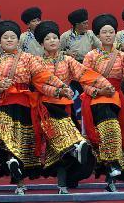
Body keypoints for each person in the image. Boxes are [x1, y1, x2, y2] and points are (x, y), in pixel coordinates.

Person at [0, 20, 71, 194]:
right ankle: (12, 167)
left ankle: (20, 183)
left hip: (25, 104)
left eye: (12, 37)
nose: (9, 40)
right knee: (5, 136)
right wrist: (0, 84)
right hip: (3, 103)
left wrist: (60, 86)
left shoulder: (28, 58)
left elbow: (42, 76)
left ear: (18, 40)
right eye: (5, 37)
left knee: (24, 144)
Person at [35, 20, 112, 193]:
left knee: (64, 148)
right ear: (41, 43)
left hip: (65, 108)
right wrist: (59, 91)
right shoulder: (37, 62)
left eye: (55, 37)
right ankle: (63, 183)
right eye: (48, 39)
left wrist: (104, 84)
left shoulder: (68, 60)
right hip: (47, 109)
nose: (53, 41)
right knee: (63, 145)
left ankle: (65, 182)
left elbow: (85, 74)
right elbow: (39, 83)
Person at [82, 14, 124, 191]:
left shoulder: (122, 55)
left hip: (116, 97)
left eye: (111, 32)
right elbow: (84, 80)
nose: (107, 35)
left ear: (115, 34)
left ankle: (111, 175)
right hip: (97, 98)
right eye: (104, 32)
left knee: (114, 132)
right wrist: (97, 91)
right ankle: (112, 164)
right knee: (109, 129)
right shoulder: (91, 55)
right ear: (98, 35)